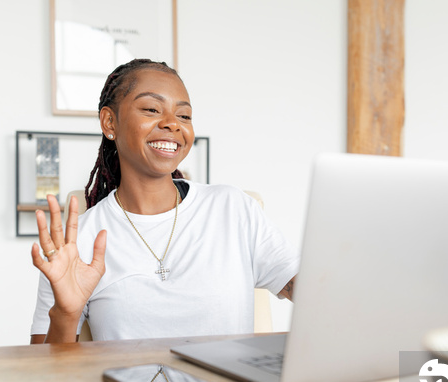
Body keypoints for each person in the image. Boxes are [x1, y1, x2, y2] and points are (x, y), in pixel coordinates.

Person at [30, 59, 299, 344]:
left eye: (184, 116)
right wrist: (66, 313)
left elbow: (313, 293)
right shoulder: (78, 242)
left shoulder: (233, 208)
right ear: (110, 122)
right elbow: (45, 373)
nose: (173, 123)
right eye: (151, 109)